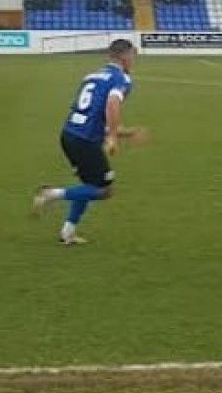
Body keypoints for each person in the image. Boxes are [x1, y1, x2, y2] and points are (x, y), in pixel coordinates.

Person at [32, 39, 147, 245]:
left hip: (69, 135)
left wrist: (125, 134)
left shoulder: (91, 76)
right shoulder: (122, 79)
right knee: (105, 190)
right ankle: (51, 194)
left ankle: (67, 233)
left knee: (88, 184)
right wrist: (112, 137)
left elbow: (93, 116)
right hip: (84, 140)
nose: (133, 60)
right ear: (124, 56)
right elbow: (112, 104)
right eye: (132, 56)